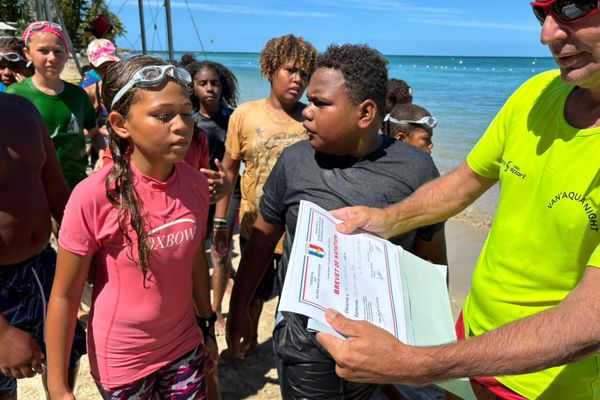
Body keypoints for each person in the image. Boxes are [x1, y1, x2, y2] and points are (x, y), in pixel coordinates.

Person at [316, 2, 600, 399]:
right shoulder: (536, 94)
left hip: (547, 380)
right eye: (541, 14)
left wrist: (415, 363)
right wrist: (388, 219)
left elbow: (586, 325)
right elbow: (466, 181)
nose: (547, 34)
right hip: (471, 339)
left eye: (572, 6)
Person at [226, 44, 447, 399]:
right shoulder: (295, 162)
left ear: (365, 113)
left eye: (321, 103)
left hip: (382, 344)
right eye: (308, 101)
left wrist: (426, 348)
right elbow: (262, 241)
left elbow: (430, 258)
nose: (307, 113)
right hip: (306, 345)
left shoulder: (416, 169)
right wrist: (239, 308)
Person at [45, 56, 217, 399]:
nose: (182, 126)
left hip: (183, 343)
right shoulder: (94, 196)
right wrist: (57, 384)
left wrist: (206, 323)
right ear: (120, 123)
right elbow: (64, 296)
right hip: (123, 359)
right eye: (163, 115)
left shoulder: (195, 185)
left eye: (186, 113)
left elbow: (194, 260)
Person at [214, 33, 318, 354]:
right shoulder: (244, 115)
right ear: (270, 70)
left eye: (304, 73)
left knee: (295, 299)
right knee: (253, 293)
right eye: (290, 70)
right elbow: (230, 171)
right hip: (253, 226)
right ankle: (248, 339)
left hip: (298, 232)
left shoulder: (311, 118)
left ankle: (291, 348)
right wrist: (220, 223)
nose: (298, 79)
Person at [0, 93, 86, 399]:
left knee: (66, 355)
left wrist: (93, 252)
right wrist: (3, 335)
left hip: (41, 266)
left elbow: (57, 191)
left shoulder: (22, 110)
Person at [185, 59, 241, 335]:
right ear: (193, 88)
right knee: (192, 251)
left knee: (220, 251)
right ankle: (197, 307)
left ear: (223, 85)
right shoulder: (188, 122)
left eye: (215, 82)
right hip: (195, 193)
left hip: (229, 192)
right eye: (203, 83)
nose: (210, 88)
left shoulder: (233, 119)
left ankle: (217, 310)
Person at [7, 21, 98, 188]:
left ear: (67, 53)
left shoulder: (78, 95)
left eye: (58, 51)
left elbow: (95, 133)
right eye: (43, 51)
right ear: (27, 53)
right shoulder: (14, 96)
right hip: (33, 189)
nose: (52, 58)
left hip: (75, 186)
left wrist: (103, 156)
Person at [84, 38, 120, 168]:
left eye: (112, 65)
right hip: (102, 156)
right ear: (93, 67)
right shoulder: (91, 93)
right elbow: (82, 130)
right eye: (103, 67)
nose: (109, 70)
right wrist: (100, 131)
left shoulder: (128, 90)